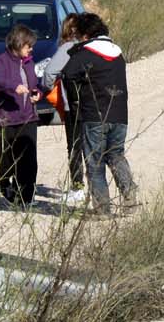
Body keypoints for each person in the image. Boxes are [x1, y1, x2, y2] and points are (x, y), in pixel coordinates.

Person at [62, 13, 137, 215]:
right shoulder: (118, 54)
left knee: (94, 162)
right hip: (120, 114)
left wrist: (75, 102)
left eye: (79, 35)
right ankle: (129, 198)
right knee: (116, 156)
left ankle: (103, 209)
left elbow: (68, 75)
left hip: (94, 115)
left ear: (86, 34)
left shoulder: (85, 54)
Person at [0, 24, 42, 207]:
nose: (31, 49)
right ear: (18, 44)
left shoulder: (29, 62)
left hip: (28, 117)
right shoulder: (0, 61)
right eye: (28, 46)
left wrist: (36, 93)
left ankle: (26, 197)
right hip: (5, 119)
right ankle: (6, 184)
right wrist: (13, 87)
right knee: (7, 158)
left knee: (29, 159)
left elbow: (34, 84)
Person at [39, 13, 86, 205]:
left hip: (73, 105)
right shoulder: (93, 47)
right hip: (97, 103)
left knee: (75, 146)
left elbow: (49, 73)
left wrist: (48, 89)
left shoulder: (67, 48)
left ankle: (78, 188)